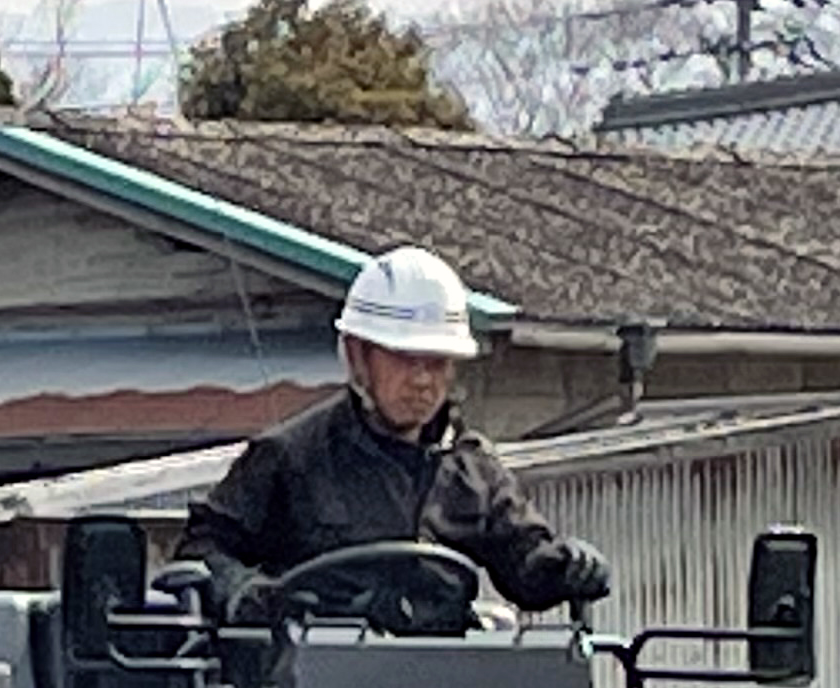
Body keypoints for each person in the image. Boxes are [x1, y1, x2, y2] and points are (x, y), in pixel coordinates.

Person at [178, 245, 612, 617]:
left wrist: (565, 566)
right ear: (358, 355)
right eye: (406, 359)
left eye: (437, 362)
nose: (423, 381)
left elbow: (525, 565)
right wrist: (246, 592)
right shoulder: (290, 456)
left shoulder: (474, 472)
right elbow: (205, 549)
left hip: (446, 687)